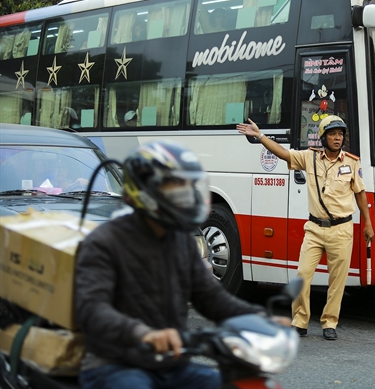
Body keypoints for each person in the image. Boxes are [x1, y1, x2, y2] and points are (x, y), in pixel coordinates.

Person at [75, 140, 278, 389]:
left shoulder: (180, 240)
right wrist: (144, 334)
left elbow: (211, 298)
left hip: (171, 365)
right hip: (115, 365)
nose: (185, 195)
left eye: (187, 186)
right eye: (174, 186)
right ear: (144, 191)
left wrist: (259, 318)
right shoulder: (104, 242)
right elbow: (92, 310)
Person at [237, 116, 374, 341]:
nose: (337, 138)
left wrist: (367, 223)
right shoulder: (309, 158)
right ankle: (300, 321)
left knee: (337, 280)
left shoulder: (351, 162)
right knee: (302, 275)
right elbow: (283, 154)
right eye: (332, 134)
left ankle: (330, 322)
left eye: (340, 134)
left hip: (342, 230)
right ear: (323, 137)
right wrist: (260, 135)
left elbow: (360, 193)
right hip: (314, 228)